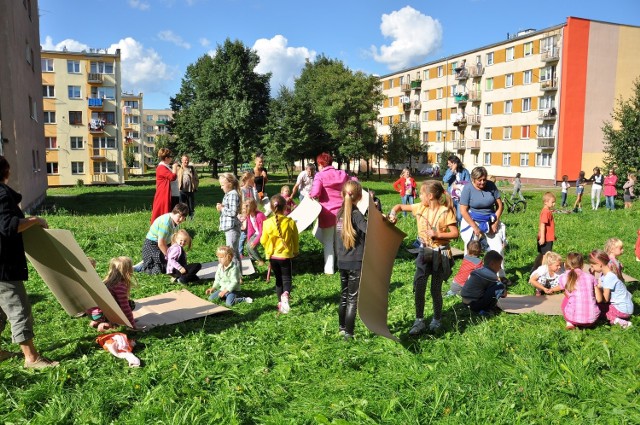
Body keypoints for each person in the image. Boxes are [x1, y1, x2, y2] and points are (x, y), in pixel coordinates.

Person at [0, 156, 59, 368]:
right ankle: (31, 359)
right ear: (5, 172)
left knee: (1, 310)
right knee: (18, 308)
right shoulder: (2, 194)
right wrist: (35, 220)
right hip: (3, 266)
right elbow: (8, 226)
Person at [389, 180, 459, 334]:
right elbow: (399, 206)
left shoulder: (445, 211)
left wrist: (438, 234)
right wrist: (393, 214)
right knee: (419, 286)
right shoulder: (420, 207)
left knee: (435, 289)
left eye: (421, 193)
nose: (418, 195)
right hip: (423, 252)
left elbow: (455, 233)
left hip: (441, 254)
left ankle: (437, 319)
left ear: (430, 196)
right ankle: (419, 320)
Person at [309, 152, 352, 275]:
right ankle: (342, 265)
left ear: (320, 164)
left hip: (327, 213)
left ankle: (329, 270)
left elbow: (315, 193)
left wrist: (310, 195)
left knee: (328, 242)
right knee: (341, 241)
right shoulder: (342, 174)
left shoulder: (320, 176)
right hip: (343, 212)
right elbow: (353, 183)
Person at [335, 180, 367, 339]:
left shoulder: (339, 214)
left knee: (344, 295)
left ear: (342, 194)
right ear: (360, 197)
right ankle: (349, 333)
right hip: (356, 262)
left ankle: (342, 328)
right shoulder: (357, 215)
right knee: (353, 299)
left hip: (341, 260)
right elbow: (370, 231)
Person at [260, 195, 299, 313]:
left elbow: (262, 240)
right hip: (286, 256)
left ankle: (280, 303)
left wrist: (268, 249)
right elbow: (295, 238)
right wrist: (296, 250)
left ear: (272, 208)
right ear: (285, 207)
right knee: (287, 279)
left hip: (273, 257)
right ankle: (286, 294)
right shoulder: (290, 222)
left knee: (278, 279)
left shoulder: (267, 223)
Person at [458, 166, 505, 263]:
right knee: (471, 249)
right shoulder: (468, 189)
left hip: (490, 220)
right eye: (479, 180)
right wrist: (475, 227)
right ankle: (469, 273)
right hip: (473, 220)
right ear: (473, 179)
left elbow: (500, 206)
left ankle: (499, 275)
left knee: (498, 248)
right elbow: (463, 210)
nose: (483, 182)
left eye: (484, 179)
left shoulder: (491, 185)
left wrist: (495, 223)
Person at [549, 252, 601, 330]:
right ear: (582, 265)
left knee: (567, 298)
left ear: (565, 265)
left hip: (573, 318)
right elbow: (599, 299)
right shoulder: (590, 277)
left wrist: (552, 290)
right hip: (592, 320)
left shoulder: (563, 277)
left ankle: (569, 323)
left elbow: (565, 291)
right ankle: (587, 318)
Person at [88, 257, 137, 331]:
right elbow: (125, 307)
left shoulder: (106, 281)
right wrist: (132, 325)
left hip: (92, 313)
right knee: (130, 304)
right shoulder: (120, 285)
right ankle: (109, 324)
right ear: (128, 271)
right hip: (103, 314)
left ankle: (96, 321)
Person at [139, 203, 189, 274]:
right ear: (174, 213)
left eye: (183, 218)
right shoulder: (165, 223)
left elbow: (173, 239)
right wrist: (170, 257)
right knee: (161, 269)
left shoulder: (175, 222)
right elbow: (161, 244)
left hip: (165, 244)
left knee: (178, 256)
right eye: (179, 216)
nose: (181, 219)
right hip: (152, 245)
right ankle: (142, 266)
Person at [589, 250, 633, 329]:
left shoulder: (609, 277)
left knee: (597, 309)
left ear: (599, 264)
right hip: (624, 306)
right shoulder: (604, 275)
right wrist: (592, 276)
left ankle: (622, 323)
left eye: (592, 266)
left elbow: (605, 299)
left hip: (623, 309)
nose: (592, 268)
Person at [460, 250, 507, 314]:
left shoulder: (480, 270)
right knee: (500, 287)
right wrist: (503, 290)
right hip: (474, 304)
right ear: (492, 264)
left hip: (465, 302)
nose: (500, 268)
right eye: (499, 265)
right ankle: (487, 309)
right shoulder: (490, 275)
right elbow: (499, 290)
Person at [217, 173, 242, 266]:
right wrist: (223, 206)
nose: (221, 187)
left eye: (222, 185)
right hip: (230, 228)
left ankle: (235, 275)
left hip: (232, 228)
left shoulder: (232, 194)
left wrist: (222, 208)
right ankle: (238, 275)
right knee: (234, 252)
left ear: (230, 183)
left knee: (231, 252)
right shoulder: (230, 194)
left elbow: (232, 212)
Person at [150, 148, 179, 224]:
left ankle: (171, 231)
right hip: (165, 195)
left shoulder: (166, 167)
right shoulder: (161, 168)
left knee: (172, 215)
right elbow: (172, 177)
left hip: (172, 194)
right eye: (170, 157)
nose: (171, 158)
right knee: (165, 214)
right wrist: (175, 168)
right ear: (166, 158)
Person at [442, 155, 470, 221]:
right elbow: (445, 180)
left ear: (454, 163)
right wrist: (452, 171)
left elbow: (468, 184)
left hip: (461, 197)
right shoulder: (449, 171)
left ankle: (461, 228)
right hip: (450, 197)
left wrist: (457, 187)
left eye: (449, 163)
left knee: (459, 216)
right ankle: (455, 229)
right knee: (451, 215)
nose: (448, 165)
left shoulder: (464, 172)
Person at [532, 192, 556, 270]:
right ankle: (542, 273)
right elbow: (543, 225)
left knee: (542, 254)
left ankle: (534, 268)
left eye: (554, 202)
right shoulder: (546, 212)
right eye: (552, 202)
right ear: (546, 202)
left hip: (547, 237)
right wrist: (543, 237)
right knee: (546, 256)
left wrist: (552, 235)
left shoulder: (547, 211)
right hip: (546, 238)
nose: (554, 204)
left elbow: (548, 226)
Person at [244, 198, 266, 267]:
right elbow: (250, 229)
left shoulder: (259, 215)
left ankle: (260, 260)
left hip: (263, 234)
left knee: (251, 247)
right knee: (247, 246)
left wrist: (255, 242)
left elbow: (262, 231)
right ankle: (254, 258)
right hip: (257, 233)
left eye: (245, 208)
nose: (244, 210)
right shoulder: (249, 215)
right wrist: (249, 238)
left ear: (250, 208)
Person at [177, 155, 199, 220]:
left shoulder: (191, 168)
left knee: (191, 207)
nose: (186, 161)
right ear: (182, 161)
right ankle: (183, 219)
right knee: (182, 207)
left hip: (190, 191)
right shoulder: (179, 168)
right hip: (181, 191)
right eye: (185, 160)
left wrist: (195, 187)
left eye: (187, 160)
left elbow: (196, 178)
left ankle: (191, 220)